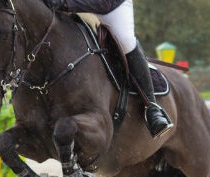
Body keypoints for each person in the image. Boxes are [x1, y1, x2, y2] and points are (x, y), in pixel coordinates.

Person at [43, 0, 173, 139]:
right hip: (71, 5)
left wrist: (65, 4)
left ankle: (152, 107)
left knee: (125, 40)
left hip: (110, 6)